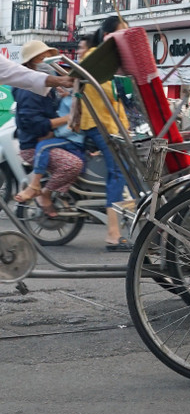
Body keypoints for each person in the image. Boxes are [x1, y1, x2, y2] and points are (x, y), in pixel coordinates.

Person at [11, 40, 85, 218]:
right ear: (31, 62)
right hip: (34, 146)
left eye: (49, 57)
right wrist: (67, 119)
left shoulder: (46, 87)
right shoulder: (29, 90)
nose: (48, 61)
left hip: (52, 140)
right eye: (43, 57)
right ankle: (44, 193)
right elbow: (34, 124)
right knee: (73, 165)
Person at [79, 16, 133, 251]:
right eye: (120, 33)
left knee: (128, 173)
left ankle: (125, 216)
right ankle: (113, 233)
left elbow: (127, 97)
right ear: (107, 35)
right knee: (118, 173)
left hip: (116, 125)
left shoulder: (115, 62)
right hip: (101, 124)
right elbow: (112, 92)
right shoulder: (93, 57)